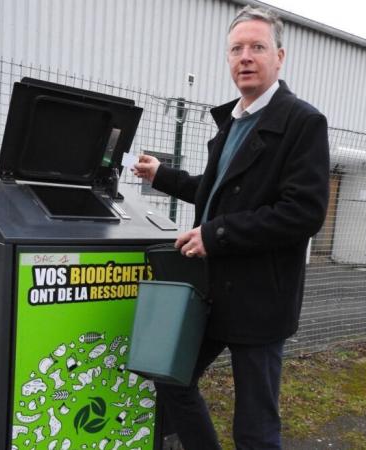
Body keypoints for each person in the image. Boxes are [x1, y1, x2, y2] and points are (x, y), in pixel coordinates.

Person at [133, 5, 330, 449]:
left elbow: (303, 212)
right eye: (237, 48)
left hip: (261, 300)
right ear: (227, 59)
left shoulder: (301, 122)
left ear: (279, 57)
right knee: (171, 376)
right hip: (212, 292)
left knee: (255, 427)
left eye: (257, 47)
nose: (246, 56)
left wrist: (215, 235)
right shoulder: (233, 123)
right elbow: (219, 190)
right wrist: (162, 175)